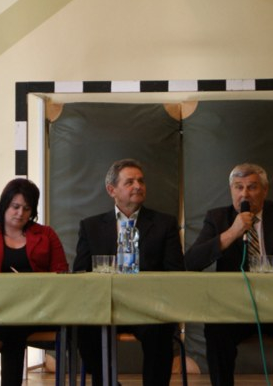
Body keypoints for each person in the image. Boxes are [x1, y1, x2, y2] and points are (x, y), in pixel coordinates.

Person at [185, 163, 273, 386]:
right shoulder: (218, 218)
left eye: (252, 187)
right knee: (216, 330)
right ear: (231, 190)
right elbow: (191, 262)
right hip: (235, 307)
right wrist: (232, 233)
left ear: (265, 190)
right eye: (238, 187)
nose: (244, 194)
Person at [73, 158, 185, 386]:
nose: (138, 186)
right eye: (130, 182)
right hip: (105, 306)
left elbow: (176, 271)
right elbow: (80, 272)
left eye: (141, 181)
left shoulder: (164, 224)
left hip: (148, 307)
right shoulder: (91, 226)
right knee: (85, 330)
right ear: (111, 190)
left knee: (161, 331)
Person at [0, 178, 69, 385]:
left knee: (13, 323)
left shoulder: (47, 235)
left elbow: (62, 275)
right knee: (13, 322)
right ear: (4, 205)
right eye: (15, 206)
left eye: (26, 208)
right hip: (0, 310)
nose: (20, 213)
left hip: (43, 309)